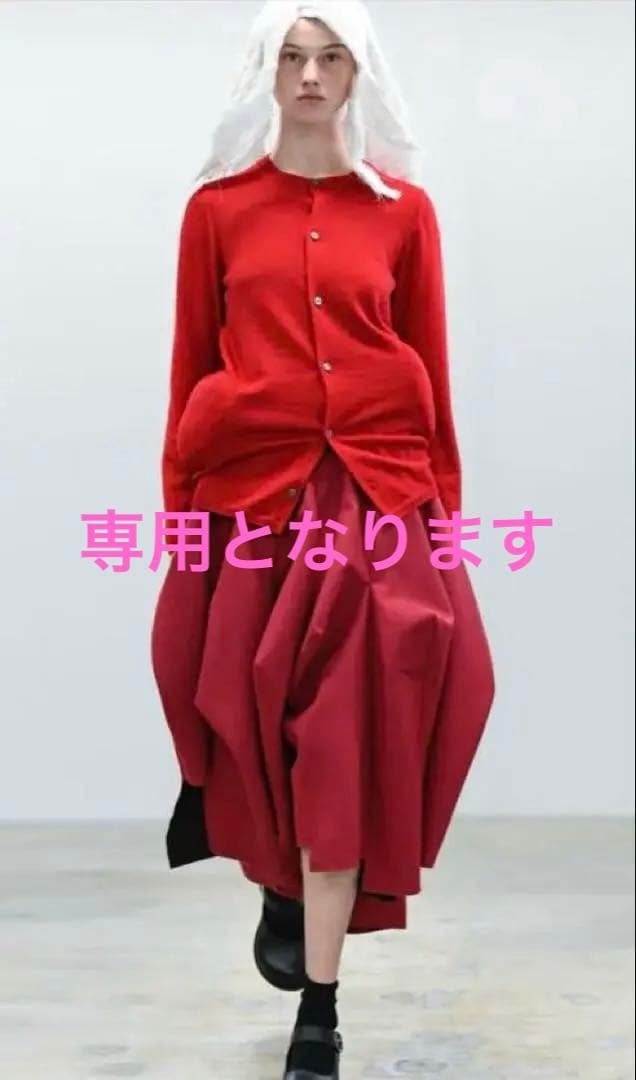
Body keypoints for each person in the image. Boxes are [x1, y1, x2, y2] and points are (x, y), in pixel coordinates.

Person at [150, 2, 496, 1077]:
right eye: (293, 57)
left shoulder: (404, 214)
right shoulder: (216, 210)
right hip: (253, 499)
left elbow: (431, 369)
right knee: (235, 698)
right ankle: (277, 872)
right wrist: (182, 523)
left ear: (359, 74)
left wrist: (442, 519)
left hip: (376, 502)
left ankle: (321, 1008)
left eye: (331, 57)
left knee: (367, 722)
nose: (310, 75)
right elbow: (189, 366)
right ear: (266, 72)